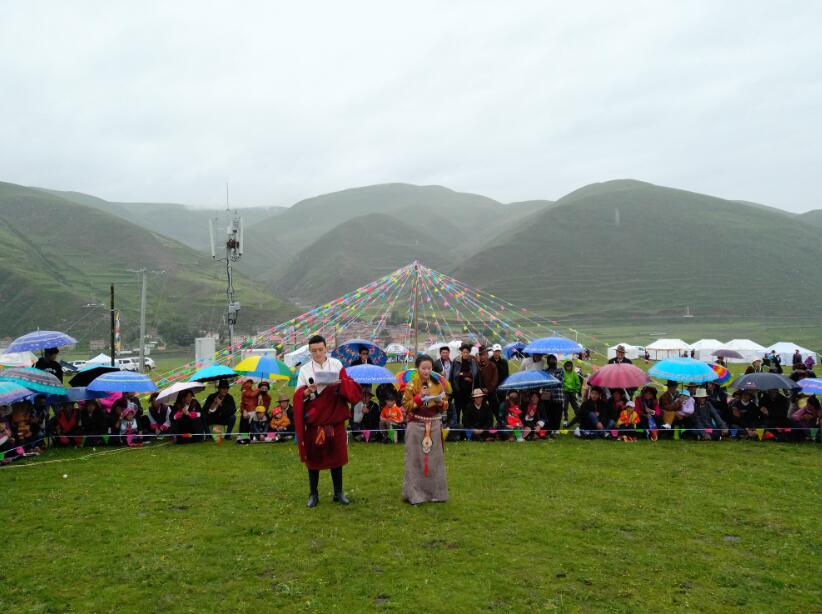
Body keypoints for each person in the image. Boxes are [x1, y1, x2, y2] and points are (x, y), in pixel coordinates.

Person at [293, 335, 361, 508]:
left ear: (326, 349)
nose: (318, 353)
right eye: (314, 351)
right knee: (313, 460)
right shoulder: (305, 370)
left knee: (337, 458)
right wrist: (308, 391)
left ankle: (338, 493)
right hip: (315, 422)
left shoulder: (337, 365)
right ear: (310, 352)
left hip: (334, 420)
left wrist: (340, 383)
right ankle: (313, 494)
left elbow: (349, 386)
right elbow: (298, 396)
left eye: (320, 350)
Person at [401, 354, 449, 504]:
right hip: (416, 424)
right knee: (414, 459)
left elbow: (445, 404)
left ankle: (436, 493)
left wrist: (441, 402)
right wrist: (419, 397)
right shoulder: (411, 385)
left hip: (434, 424)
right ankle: (415, 494)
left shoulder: (437, 384)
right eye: (424, 368)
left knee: (434, 459)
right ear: (417, 368)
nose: (427, 371)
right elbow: (406, 405)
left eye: (429, 368)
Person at [450, 344, 478, 427]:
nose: (465, 354)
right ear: (461, 352)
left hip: (469, 390)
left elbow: (475, 374)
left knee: (467, 410)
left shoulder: (472, 361)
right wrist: (463, 374)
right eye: (464, 352)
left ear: (469, 353)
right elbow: (453, 375)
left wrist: (464, 374)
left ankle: (466, 427)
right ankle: (456, 426)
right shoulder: (456, 361)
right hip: (458, 390)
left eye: (467, 352)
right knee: (457, 410)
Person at [561, 360, 583, 427]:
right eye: (567, 366)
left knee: (575, 406)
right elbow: (562, 382)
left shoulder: (574, 374)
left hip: (573, 392)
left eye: (569, 366)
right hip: (565, 392)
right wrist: (564, 388)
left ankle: (579, 419)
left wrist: (576, 391)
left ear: (571, 366)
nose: (568, 367)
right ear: (565, 366)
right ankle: (565, 420)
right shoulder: (563, 373)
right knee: (565, 406)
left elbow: (578, 383)